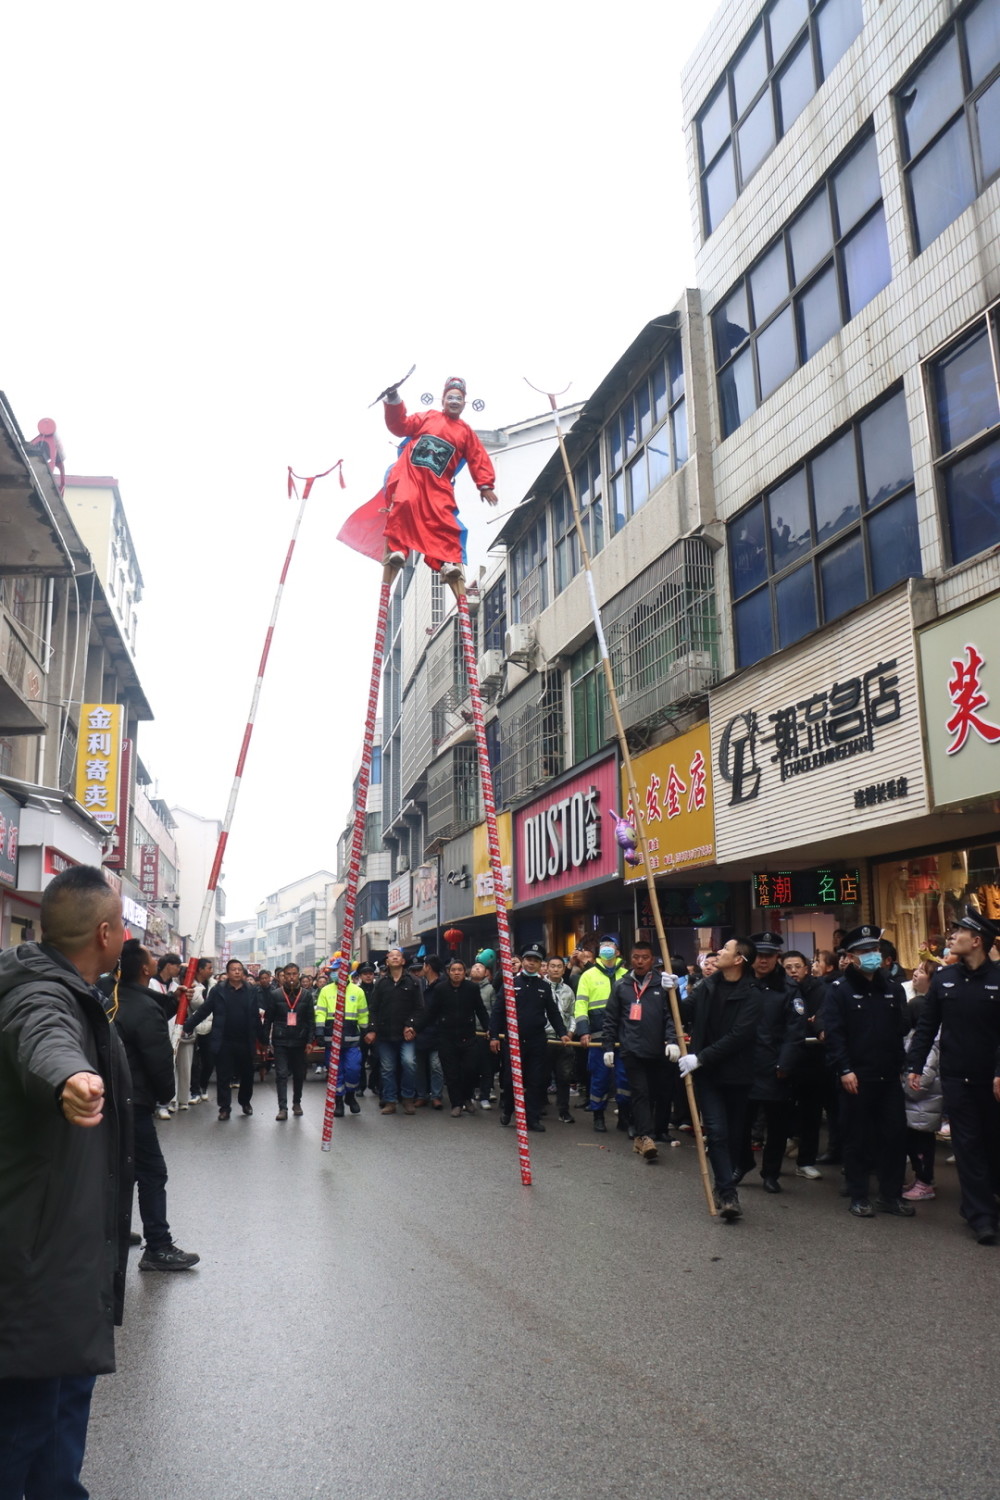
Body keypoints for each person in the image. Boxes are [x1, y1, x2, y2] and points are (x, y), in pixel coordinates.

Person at [0, 864, 131, 1498]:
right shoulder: (40, 992)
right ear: (105, 932)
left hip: (65, 1259)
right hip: (37, 1259)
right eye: (124, 922)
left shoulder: (70, 985)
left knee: (58, 1422)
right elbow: (42, 1037)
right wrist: (70, 1080)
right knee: (23, 1428)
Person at [907, 907, 1000, 1244]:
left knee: (992, 1143)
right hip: (955, 1077)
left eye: (959, 932)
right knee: (967, 1145)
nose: (951, 936)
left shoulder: (998, 977)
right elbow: (927, 1026)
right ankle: (981, 1217)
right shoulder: (945, 979)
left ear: (976, 940)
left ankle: (986, 1200)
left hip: (991, 1080)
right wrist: (915, 1065)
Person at [112, 940, 199, 1270]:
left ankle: (115, 1229)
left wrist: (176, 1001)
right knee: (152, 1172)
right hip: (134, 1100)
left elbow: (147, 1008)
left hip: (115, 1098)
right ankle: (158, 1246)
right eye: (151, 957)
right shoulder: (142, 1009)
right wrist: (167, 1094)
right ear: (146, 969)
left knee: (121, 1169)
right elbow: (158, 1059)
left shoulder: (115, 996)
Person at [822, 925, 912, 1220]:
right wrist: (844, 1069)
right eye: (863, 951)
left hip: (888, 1076)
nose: (871, 956)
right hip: (855, 1078)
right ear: (849, 957)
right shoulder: (839, 991)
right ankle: (859, 1195)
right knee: (857, 1138)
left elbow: (901, 1029)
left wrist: (902, 1065)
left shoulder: (893, 988)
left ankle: (891, 1195)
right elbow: (835, 1034)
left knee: (895, 1136)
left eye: (874, 950)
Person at [678, 937, 762, 1220]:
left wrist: (700, 1057)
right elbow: (683, 1013)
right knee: (716, 1132)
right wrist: (667, 992)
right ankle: (727, 1193)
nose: (719, 953)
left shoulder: (753, 994)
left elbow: (739, 1036)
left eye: (726, 949)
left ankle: (730, 1178)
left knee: (735, 1135)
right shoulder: (708, 986)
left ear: (738, 960)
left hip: (737, 1074)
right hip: (709, 1076)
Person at [735, 932, 806, 1193]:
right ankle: (742, 1163)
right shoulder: (739, 982)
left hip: (775, 1067)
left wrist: (785, 1064)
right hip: (744, 1066)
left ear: (777, 957)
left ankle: (771, 1172)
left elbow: (795, 1031)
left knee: (777, 1126)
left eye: (768, 956)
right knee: (741, 1122)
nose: (763, 961)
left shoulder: (788, 989)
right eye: (759, 956)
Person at [603, 943, 681, 1162]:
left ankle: (654, 1130)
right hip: (632, 1050)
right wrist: (608, 1047)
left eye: (644, 957)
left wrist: (672, 1040)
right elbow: (611, 1019)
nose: (640, 961)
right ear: (630, 958)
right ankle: (645, 1137)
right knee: (641, 1093)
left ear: (651, 959)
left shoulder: (663, 984)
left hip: (659, 1050)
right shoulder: (622, 986)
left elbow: (671, 1015)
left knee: (660, 1092)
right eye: (636, 957)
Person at [490, 942, 570, 1131]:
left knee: (536, 1080)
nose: (531, 963)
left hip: (537, 1041)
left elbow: (553, 1012)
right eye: (528, 959)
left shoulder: (544, 986)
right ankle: (508, 1110)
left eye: (536, 960)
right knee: (511, 1080)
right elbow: (498, 1011)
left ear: (540, 963)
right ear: (523, 961)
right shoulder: (511, 984)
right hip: (515, 1041)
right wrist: (494, 1035)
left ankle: (532, 1118)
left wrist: (562, 1033)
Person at [410, 959, 490, 1116]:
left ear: (464, 972)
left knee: (470, 1070)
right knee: (451, 1073)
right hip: (446, 1038)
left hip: (468, 1037)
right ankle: (457, 1104)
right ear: (448, 972)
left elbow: (481, 1010)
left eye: (460, 970)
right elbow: (431, 1013)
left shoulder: (472, 988)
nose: (457, 973)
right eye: (453, 970)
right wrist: (416, 1028)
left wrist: (490, 1029)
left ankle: (467, 1098)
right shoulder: (441, 989)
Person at [183, 959, 259, 1119]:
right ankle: (224, 1108)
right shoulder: (218, 990)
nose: (237, 972)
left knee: (247, 1074)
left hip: (245, 1040)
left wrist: (263, 1039)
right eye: (233, 969)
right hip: (224, 1040)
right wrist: (188, 1025)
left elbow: (255, 1017)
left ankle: (245, 1102)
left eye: (239, 969)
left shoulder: (251, 990)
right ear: (227, 972)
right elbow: (205, 1010)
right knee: (223, 1075)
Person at [574, 935, 630, 1134]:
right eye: (603, 946)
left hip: (624, 1036)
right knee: (600, 1077)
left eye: (611, 946)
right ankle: (598, 1115)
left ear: (618, 952)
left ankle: (624, 1116)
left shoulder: (627, 974)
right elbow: (580, 1004)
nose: (607, 949)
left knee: (625, 1078)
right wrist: (583, 1031)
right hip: (598, 1035)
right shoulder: (588, 976)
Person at [781, 950, 828, 1180]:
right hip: (784, 1058)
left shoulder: (820, 989)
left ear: (806, 968)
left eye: (797, 966)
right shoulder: (779, 989)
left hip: (812, 1060)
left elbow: (821, 1017)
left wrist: (815, 1023)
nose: (792, 971)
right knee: (780, 1109)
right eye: (788, 967)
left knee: (812, 1112)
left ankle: (806, 1160)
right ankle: (774, 1163)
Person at [369, 947, 423, 1115]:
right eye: (391, 956)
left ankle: (407, 1098)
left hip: (406, 1034)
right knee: (387, 1068)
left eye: (397, 956)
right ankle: (390, 1100)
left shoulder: (413, 981)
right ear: (387, 961)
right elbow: (374, 1009)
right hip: (385, 1034)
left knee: (409, 1063)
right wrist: (372, 1029)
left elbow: (420, 1008)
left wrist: (411, 1025)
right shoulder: (380, 983)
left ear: (403, 961)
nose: (394, 958)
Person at [314, 967, 374, 1117]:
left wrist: (365, 1031)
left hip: (352, 1039)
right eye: (333, 971)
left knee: (353, 1069)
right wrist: (320, 1031)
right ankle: (339, 1101)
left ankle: (350, 1096)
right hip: (332, 1038)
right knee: (335, 1073)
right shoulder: (326, 991)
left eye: (339, 970)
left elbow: (363, 1014)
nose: (335, 974)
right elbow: (320, 1012)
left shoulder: (357, 991)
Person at [261, 962, 315, 1121]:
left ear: (298, 975)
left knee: (299, 1074)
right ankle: (282, 1108)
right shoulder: (275, 995)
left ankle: (296, 1103)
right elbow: (268, 1019)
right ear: (283, 976)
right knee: (281, 1074)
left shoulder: (306, 995)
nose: (291, 977)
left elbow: (311, 1020)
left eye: (294, 974)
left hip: (300, 1040)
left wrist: (310, 1040)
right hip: (280, 1041)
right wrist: (265, 1040)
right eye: (288, 974)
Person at [545, 955, 578, 1124]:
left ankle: (563, 1110)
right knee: (541, 1075)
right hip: (545, 1039)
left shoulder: (568, 991)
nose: (556, 969)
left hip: (564, 1040)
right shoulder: (541, 987)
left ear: (564, 969)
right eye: (553, 966)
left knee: (564, 1076)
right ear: (547, 968)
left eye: (559, 966)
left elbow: (573, 1014)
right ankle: (538, 1106)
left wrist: (571, 1031)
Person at [415, 955, 446, 1109]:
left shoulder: (442, 985)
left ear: (428, 966)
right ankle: (421, 1095)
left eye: (424, 965)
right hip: (420, 1030)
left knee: (436, 1065)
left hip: (437, 1031)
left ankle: (436, 1095)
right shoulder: (420, 984)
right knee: (419, 1065)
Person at [187, 957, 216, 1104]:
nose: (212, 971)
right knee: (194, 1063)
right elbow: (196, 1005)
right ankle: (194, 1091)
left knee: (209, 1061)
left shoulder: (215, 985)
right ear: (200, 969)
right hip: (194, 1027)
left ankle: (203, 1086)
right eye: (209, 968)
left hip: (211, 1027)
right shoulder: (190, 985)